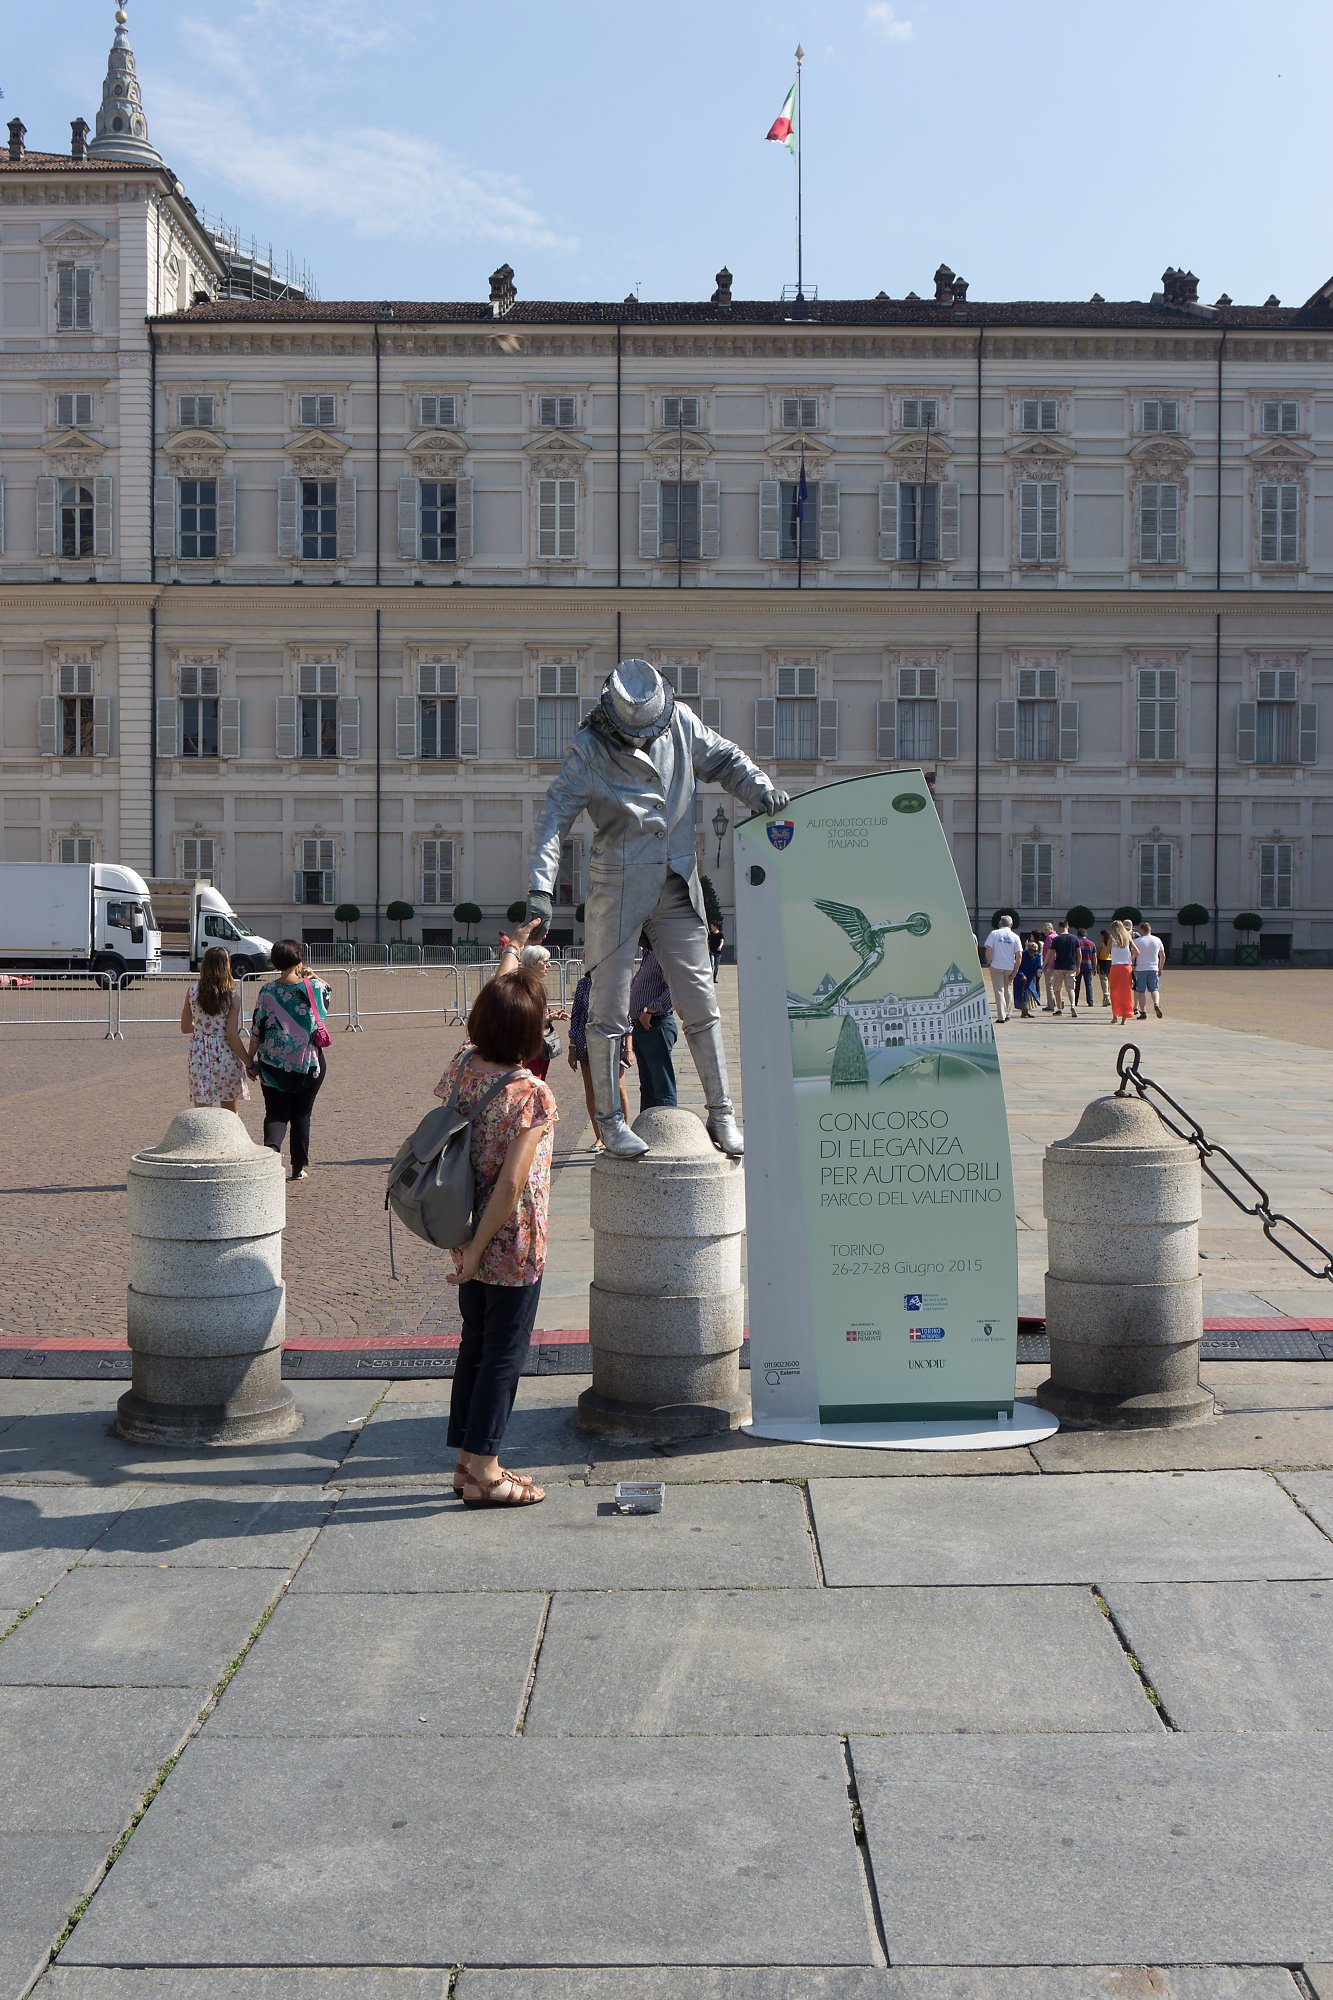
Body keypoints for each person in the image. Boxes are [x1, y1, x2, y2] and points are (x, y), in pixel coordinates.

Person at [526, 658, 787, 1160]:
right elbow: (553, 818)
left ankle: (722, 1114)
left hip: (676, 883)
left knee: (701, 1005)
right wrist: (541, 888)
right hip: (618, 889)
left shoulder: (680, 721)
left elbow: (727, 759)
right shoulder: (589, 748)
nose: (647, 739)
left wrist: (759, 789)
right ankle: (610, 1124)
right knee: (608, 1012)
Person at [437, 962, 557, 1509]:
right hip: (511, 1239)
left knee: (475, 1346)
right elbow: (511, 1184)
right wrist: (481, 1250)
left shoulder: (463, 1067)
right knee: (504, 1354)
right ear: (529, 1033)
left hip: (463, 1224)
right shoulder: (532, 1093)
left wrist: (515, 954)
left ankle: (466, 1462)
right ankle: (486, 1471)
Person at [246, 939, 331, 1182]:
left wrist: (250, 1060)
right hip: (307, 1062)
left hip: (273, 1063)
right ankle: (298, 1166)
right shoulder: (313, 987)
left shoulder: (267, 992)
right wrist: (313, 976)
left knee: (275, 1113)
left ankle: (270, 1156)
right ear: (299, 960)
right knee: (302, 1115)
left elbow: (257, 1028)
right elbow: (327, 996)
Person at [180, 944, 250, 1112]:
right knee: (229, 1110)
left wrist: (202, 1029)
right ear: (226, 966)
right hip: (225, 1053)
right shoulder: (232, 997)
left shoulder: (192, 991)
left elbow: (185, 1027)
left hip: (200, 1053)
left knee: (202, 1111)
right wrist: (249, 1062)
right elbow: (231, 1034)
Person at [567, 968, 631, 1153]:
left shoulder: (615, 980)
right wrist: (572, 1046)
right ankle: (600, 1137)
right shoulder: (584, 984)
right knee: (591, 1091)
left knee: (619, 1089)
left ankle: (625, 1132)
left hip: (613, 1042)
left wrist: (629, 1048)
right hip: (586, 1043)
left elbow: (626, 1018)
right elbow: (576, 1016)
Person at [629, 935, 678, 1110]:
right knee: (647, 1087)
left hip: (655, 1024)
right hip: (642, 1028)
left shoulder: (662, 954)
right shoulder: (648, 955)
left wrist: (650, 1010)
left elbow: (675, 987)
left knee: (662, 1086)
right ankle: (647, 1124)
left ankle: (668, 1122)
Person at [982, 913, 1022, 1024]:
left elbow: (988, 949)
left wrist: (990, 962)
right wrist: (1016, 970)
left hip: (996, 965)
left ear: (1000, 923)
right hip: (1009, 966)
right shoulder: (1015, 937)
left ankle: (1001, 1016)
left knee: (999, 991)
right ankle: (1008, 1013)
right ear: (1011, 924)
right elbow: (1019, 955)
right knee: (1008, 990)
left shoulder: (994, 933)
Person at [1132, 920, 1166, 1020]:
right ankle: (1156, 1003)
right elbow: (1163, 956)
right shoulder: (1157, 940)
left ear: (1142, 930)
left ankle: (1143, 1012)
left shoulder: (1137, 941)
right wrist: (1160, 968)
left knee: (1141, 991)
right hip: (1153, 968)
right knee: (1154, 989)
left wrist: (1132, 965)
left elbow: (1134, 955)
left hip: (1141, 969)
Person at [1048, 920, 1081, 1018]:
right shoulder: (1074, 938)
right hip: (1071, 966)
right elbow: (1079, 953)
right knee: (1071, 988)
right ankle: (1072, 1005)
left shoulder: (1057, 939)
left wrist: (1049, 965)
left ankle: (1059, 1009)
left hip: (1058, 966)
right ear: (1067, 927)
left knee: (1057, 989)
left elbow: (1052, 953)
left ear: (1060, 927)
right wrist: (1078, 966)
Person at [1107, 919, 1135, 1024]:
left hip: (1115, 967)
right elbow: (1137, 951)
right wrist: (1130, 959)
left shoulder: (1112, 938)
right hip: (1126, 967)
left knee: (1114, 992)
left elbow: (1108, 951)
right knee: (1126, 992)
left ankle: (1115, 1016)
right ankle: (1124, 1017)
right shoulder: (1128, 936)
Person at [1014, 933, 1043, 1018]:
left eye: (1035, 951)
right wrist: (1021, 975)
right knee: (1022, 995)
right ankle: (1024, 1012)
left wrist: (1039, 971)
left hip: (1030, 978)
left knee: (1029, 996)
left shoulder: (1037, 956)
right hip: (1021, 979)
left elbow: (1039, 966)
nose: (1033, 953)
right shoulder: (1023, 955)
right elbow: (1018, 967)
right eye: (1032, 951)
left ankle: (1026, 1011)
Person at [1076, 927, 1096, 1011]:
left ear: (1078, 935)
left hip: (1079, 966)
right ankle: (1090, 1001)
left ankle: (1075, 1001)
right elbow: (1094, 957)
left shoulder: (1077, 943)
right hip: (1088, 966)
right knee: (1088, 984)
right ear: (1086, 934)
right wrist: (1094, 967)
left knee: (1077, 984)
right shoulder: (1092, 944)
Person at [1096, 929, 1114, 1008]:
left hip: (1102, 961)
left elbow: (1098, 954)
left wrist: (1096, 965)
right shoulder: (1111, 943)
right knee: (1109, 980)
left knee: (1103, 980)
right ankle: (1107, 998)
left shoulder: (1101, 944)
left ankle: (1106, 996)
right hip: (1110, 961)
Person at [707, 917, 725, 982]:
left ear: (715, 926)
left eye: (712, 926)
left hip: (718, 953)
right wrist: (709, 949)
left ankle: (714, 978)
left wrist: (720, 947)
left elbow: (722, 941)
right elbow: (708, 942)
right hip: (711, 952)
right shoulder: (710, 934)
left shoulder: (720, 934)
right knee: (712, 965)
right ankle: (710, 978)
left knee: (716, 966)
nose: (711, 927)